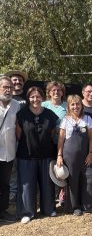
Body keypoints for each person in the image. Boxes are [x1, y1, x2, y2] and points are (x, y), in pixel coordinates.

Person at [16, 87, 58, 224]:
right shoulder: (21, 114)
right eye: (32, 97)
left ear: (43, 98)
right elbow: (18, 135)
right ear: (28, 98)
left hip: (46, 155)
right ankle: (28, 212)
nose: (35, 99)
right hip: (26, 156)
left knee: (47, 185)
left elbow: (52, 134)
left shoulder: (50, 115)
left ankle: (48, 209)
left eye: (38, 96)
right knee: (27, 186)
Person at [57, 95, 92, 216]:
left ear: (81, 105)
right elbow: (61, 139)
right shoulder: (65, 120)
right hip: (69, 156)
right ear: (69, 106)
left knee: (90, 177)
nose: (75, 107)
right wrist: (59, 155)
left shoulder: (87, 119)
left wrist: (90, 154)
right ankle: (75, 207)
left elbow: (91, 139)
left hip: (85, 156)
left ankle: (89, 205)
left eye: (78, 104)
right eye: (72, 104)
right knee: (73, 181)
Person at [42, 81, 67, 206]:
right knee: (50, 169)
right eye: (53, 90)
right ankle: (50, 196)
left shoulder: (67, 106)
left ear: (62, 92)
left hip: (64, 143)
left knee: (63, 169)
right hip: (47, 143)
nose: (56, 92)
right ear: (49, 92)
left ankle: (62, 194)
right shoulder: (44, 105)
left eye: (59, 90)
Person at [5, 70, 27, 203]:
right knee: (11, 168)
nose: (17, 82)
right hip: (8, 139)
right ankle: (12, 193)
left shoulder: (28, 99)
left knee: (22, 166)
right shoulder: (5, 99)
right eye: (14, 80)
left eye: (20, 80)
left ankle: (22, 191)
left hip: (24, 139)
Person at [0, 77, 20, 222]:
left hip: (9, 151)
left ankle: (3, 211)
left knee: (5, 184)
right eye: (5, 87)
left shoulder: (16, 105)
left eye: (10, 88)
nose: (8, 90)